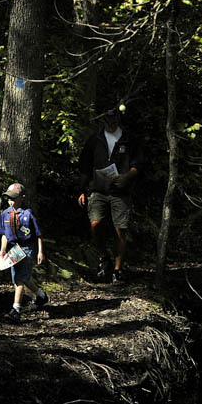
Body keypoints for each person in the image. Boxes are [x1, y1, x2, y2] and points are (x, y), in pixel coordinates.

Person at [77, 105, 146, 283]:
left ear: (118, 119)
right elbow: (85, 166)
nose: (110, 122)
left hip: (121, 191)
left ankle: (118, 269)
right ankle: (103, 258)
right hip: (97, 189)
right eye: (107, 119)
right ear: (102, 120)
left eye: (113, 118)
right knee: (95, 224)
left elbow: (138, 164)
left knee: (119, 230)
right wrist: (82, 190)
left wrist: (126, 177)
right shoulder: (95, 139)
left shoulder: (129, 139)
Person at [0, 183, 49, 323]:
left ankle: (16, 310)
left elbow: (38, 234)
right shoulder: (5, 214)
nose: (10, 201)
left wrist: (40, 252)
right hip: (13, 249)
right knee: (20, 277)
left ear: (22, 198)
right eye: (8, 198)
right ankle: (41, 295)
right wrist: (2, 250)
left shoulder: (28, 214)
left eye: (13, 198)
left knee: (19, 278)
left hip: (26, 248)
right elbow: (3, 235)